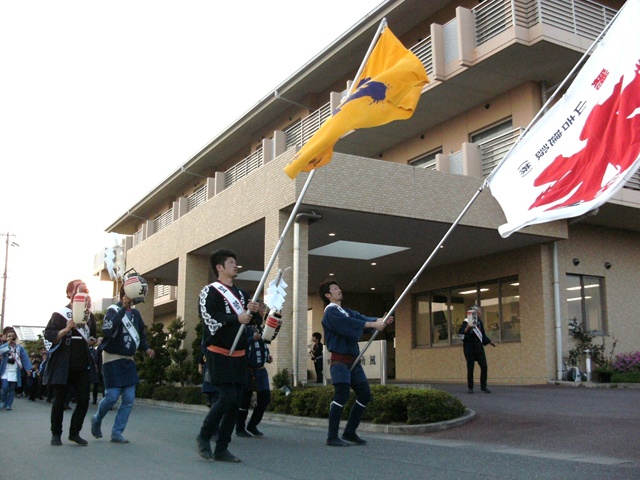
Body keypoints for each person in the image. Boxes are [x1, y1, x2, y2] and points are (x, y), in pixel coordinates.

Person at [196, 248, 260, 463]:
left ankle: (222, 447)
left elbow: (251, 323)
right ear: (220, 267)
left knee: (236, 401)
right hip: (219, 352)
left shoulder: (243, 294)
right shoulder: (209, 292)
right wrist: (237, 318)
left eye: (236, 262)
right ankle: (205, 435)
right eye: (231, 262)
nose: (236, 265)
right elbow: (209, 320)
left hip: (240, 354)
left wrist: (255, 312)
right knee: (227, 397)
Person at [319, 279, 393, 447]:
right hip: (339, 361)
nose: (339, 290)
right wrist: (374, 324)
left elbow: (360, 318)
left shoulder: (344, 311)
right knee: (342, 394)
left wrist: (380, 320)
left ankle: (350, 432)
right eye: (335, 289)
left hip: (354, 361)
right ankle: (332, 436)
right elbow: (350, 325)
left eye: (338, 287)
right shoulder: (330, 313)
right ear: (328, 295)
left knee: (365, 394)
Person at [91, 287, 154, 444]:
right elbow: (107, 330)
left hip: (128, 360)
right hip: (112, 359)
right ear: (125, 295)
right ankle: (97, 418)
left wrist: (146, 348)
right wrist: (122, 309)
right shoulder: (113, 310)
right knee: (112, 396)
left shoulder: (136, 314)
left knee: (129, 398)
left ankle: (117, 432)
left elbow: (141, 334)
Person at [43, 280, 98, 446]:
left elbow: (90, 338)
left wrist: (93, 341)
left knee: (83, 400)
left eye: (85, 290)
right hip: (63, 363)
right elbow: (49, 335)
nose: (83, 292)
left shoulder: (90, 316)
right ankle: (56, 433)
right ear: (69, 294)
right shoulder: (60, 314)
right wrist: (66, 329)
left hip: (82, 364)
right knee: (59, 401)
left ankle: (74, 432)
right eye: (78, 289)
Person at [236, 321, 272, 438]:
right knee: (245, 399)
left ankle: (252, 424)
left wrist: (267, 356)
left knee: (265, 398)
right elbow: (239, 344)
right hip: (248, 370)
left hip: (261, 370)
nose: (263, 313)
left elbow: (264, 345)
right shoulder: (244, 328)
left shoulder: (262, 328)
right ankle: (239, 427)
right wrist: (252, 338)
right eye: (261, 310)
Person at [458, 305, 496, 394]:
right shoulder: (466, 321)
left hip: (479, 348)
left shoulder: (479, 322)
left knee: (484, 366)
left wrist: (490, 342)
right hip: (469, 348)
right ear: (475, 312)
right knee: (470, 368)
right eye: (480, 312)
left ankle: (483, 386)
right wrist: (467, 328)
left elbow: (482, 335)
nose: (481, 313)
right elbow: (461, 334)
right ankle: (470, 387)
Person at [0, 329, 34, 410]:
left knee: (12, 389)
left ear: (15, 337)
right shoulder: (3, 346)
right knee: (4, 387)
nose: (11, 338)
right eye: (9, 336)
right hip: (5, 371)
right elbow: (1, 352)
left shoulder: (20, 348)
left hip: (15, 371)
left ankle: (9, 404)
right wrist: (8, 344)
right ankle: (3, 401)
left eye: (12, 336)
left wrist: (28, 369)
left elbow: (25, 358)